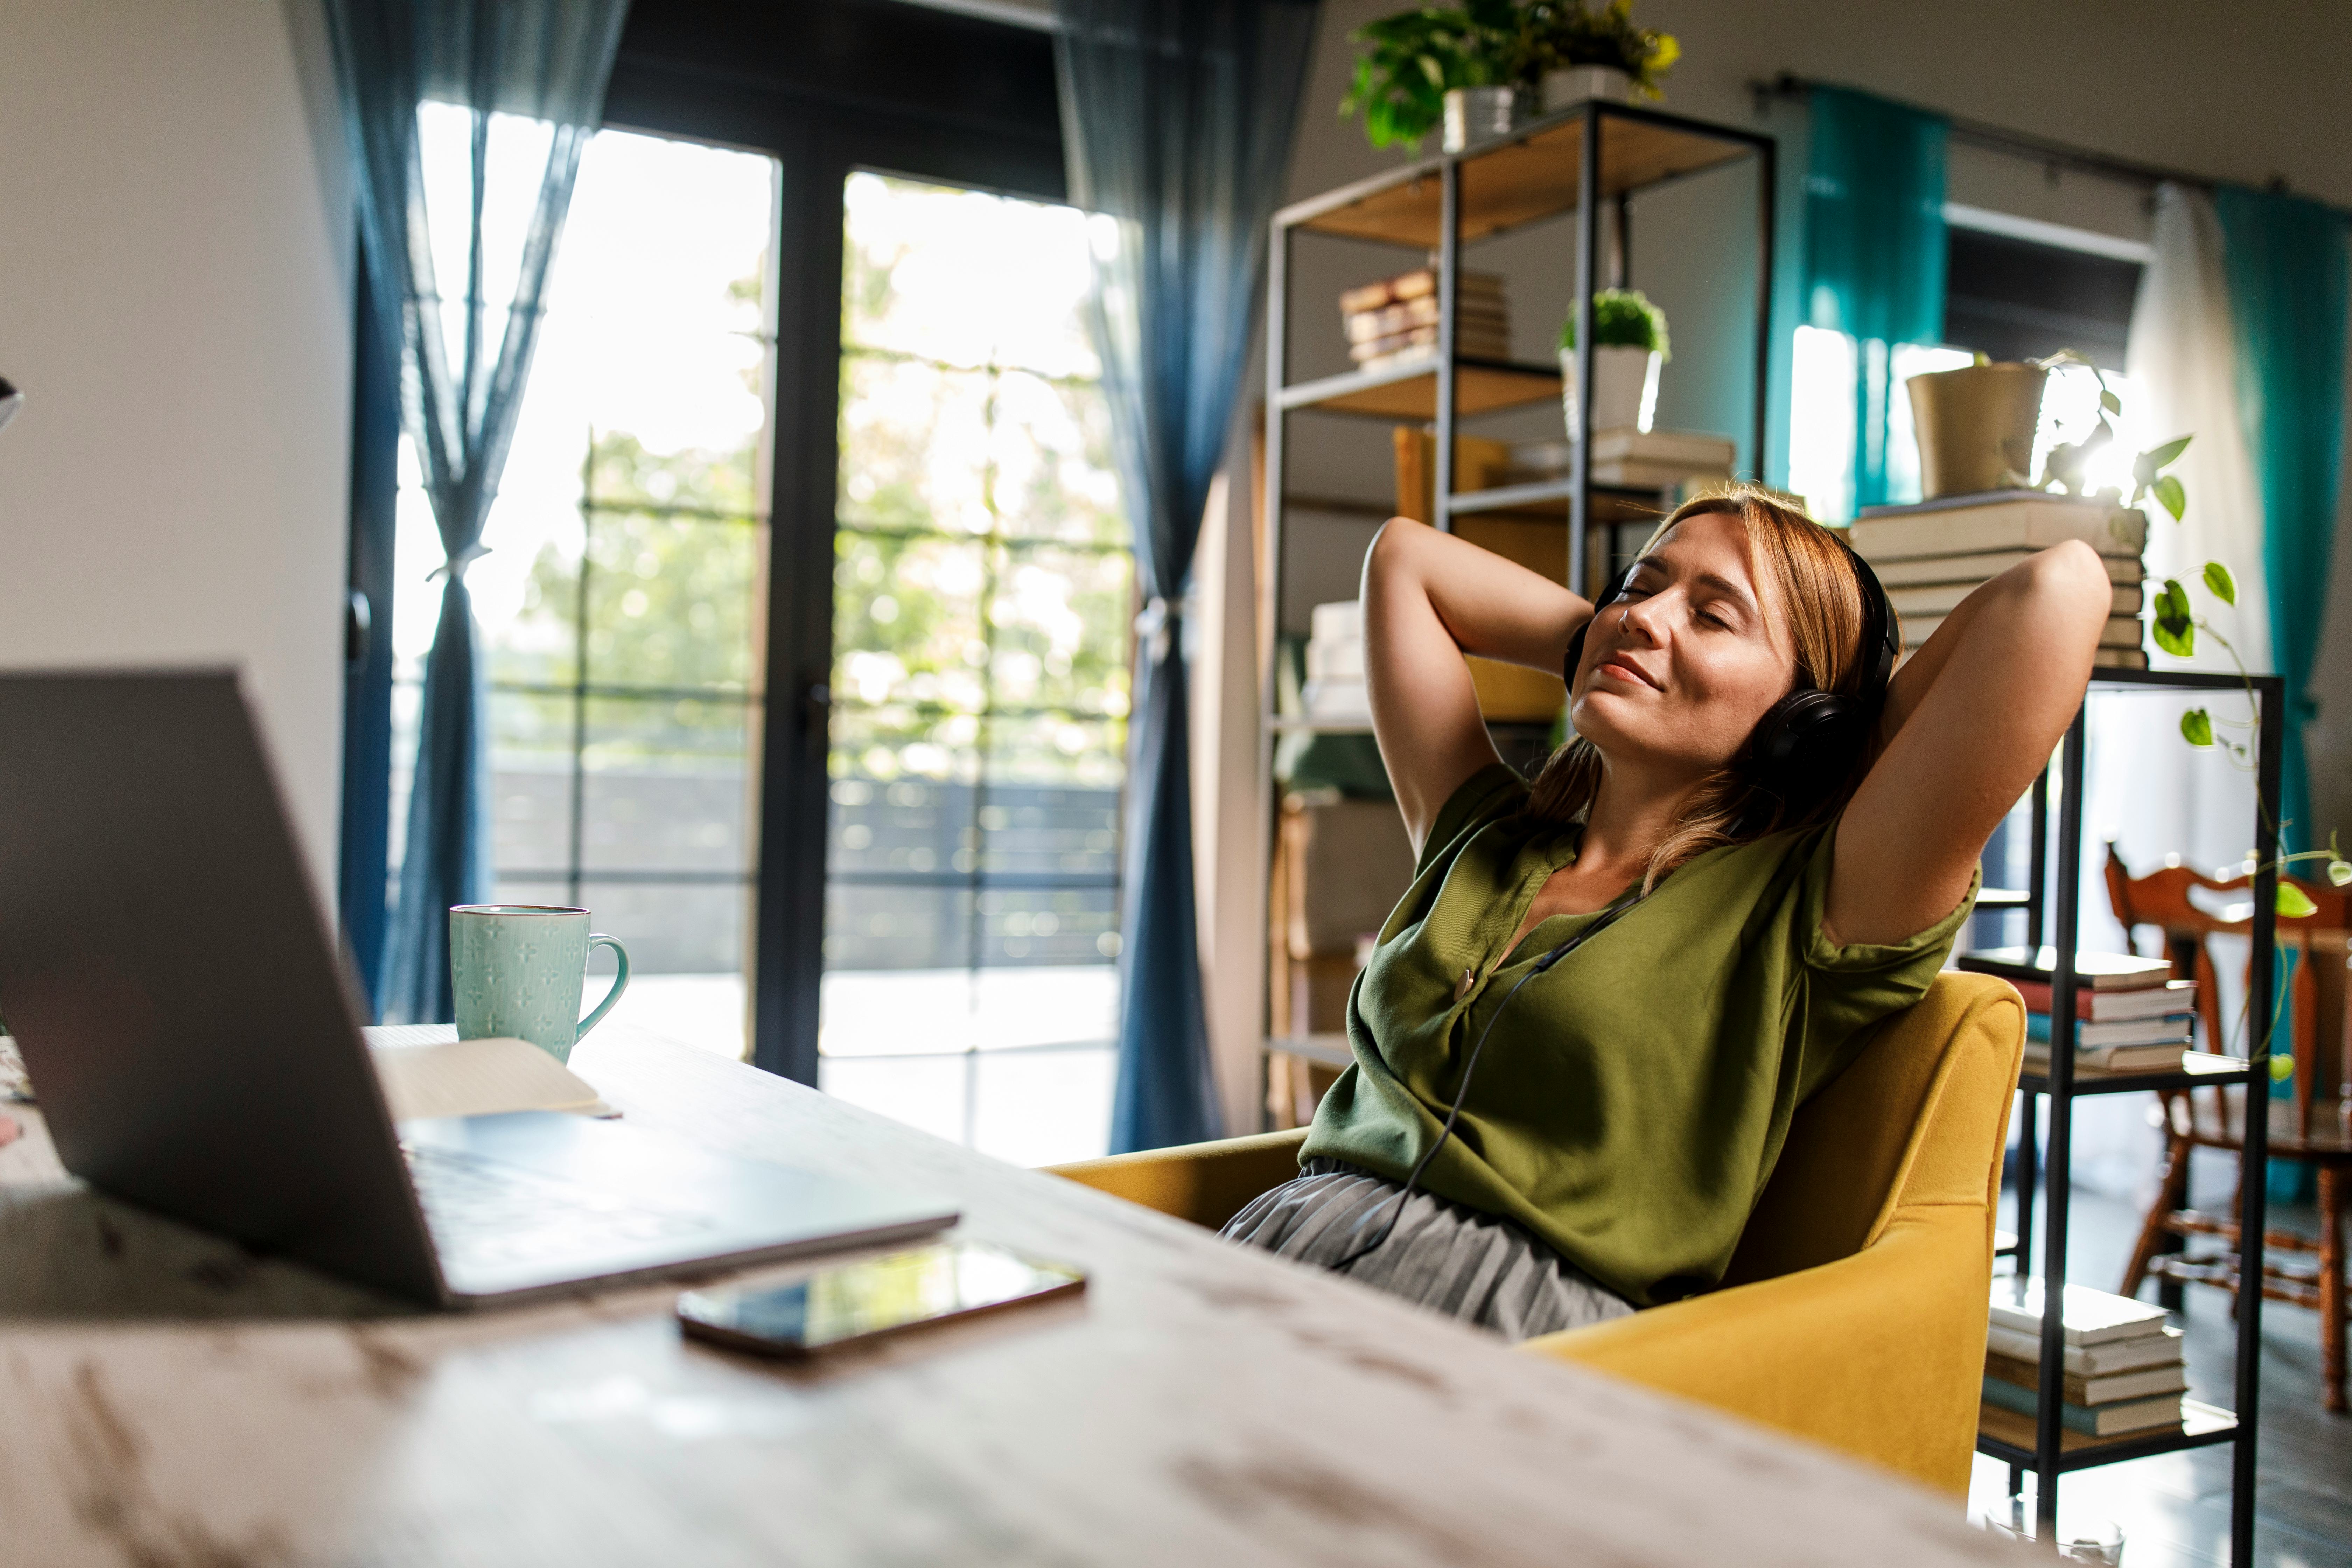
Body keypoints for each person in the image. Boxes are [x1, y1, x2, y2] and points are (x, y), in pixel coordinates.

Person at [1223, 486, 2113, 1340]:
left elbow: (2059, 590)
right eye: (1640, 585)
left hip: (1507, 1328)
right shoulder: (1486, 834)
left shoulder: (1807, 907)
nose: (1644, 615)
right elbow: (1405, 561)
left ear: (1802, 715)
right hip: (1275, 1253)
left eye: (1714, 614)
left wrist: (1834, 742)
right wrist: (1606, 638)